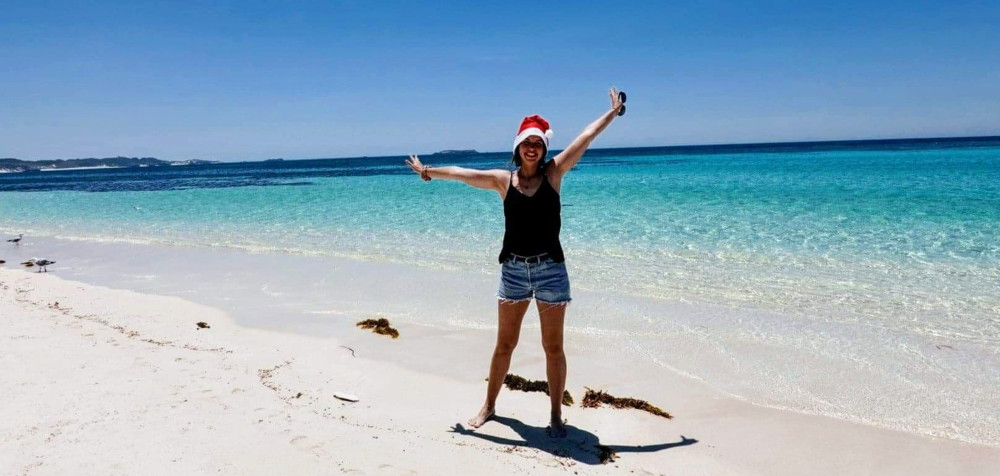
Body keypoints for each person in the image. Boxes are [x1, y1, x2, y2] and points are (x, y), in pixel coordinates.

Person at [405, 87, 625, 438]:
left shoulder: (554, 174)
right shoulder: (502, 180)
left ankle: (555, 415)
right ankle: (489, 406)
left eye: (538, 142)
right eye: (527, 142)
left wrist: (612, 113)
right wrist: (428, 171)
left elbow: (586, 137)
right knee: (504, 345)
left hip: (551, 270)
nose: (532, 147)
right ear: (518, 147)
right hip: (513, 272)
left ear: (543, 148)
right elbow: (463, 173)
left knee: (553, 347)